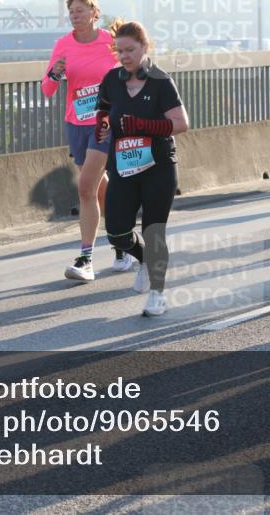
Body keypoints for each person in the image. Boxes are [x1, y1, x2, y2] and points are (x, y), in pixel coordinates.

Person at [95, 22, 189, 317]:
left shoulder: (161, 81)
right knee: (117, 233)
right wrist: (103, 125)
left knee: (154, 230)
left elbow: (181, 124)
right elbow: (103, 108)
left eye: (130, 50)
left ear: (144, 47)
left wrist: (145, 126)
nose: (124, 56)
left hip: (158, 167)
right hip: (123, 166)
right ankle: (145, 260)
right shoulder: (111, 79)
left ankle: (157, 295)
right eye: (119, 51)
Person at [41, 0, 132, 282]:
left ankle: (85, 259)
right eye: (71, 11)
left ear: (95, 12)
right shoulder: (63, 45)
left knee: (84, 188)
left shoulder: (110, 42)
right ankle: (123, 240)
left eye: (80, 10)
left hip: (106, 122)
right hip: (77, 122)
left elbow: (133, 70)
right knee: (96, 186)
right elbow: (47, 89)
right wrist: (55, 74)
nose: (75, 15)